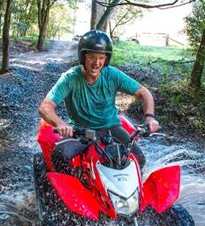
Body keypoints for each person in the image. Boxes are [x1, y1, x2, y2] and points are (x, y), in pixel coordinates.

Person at [38, 30, 159, 170]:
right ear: (83, 57)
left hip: (111, 127)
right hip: (82, 131)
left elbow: (144, 93)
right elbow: (45, 107)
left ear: (106, 59)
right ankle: (62, 189)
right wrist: (60, 124)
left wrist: (149, 117)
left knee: (139, 159)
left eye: (101, 57)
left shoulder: (113, 75)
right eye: (92, 57)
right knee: (60, 155)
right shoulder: (69, 78)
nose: (97, 62)